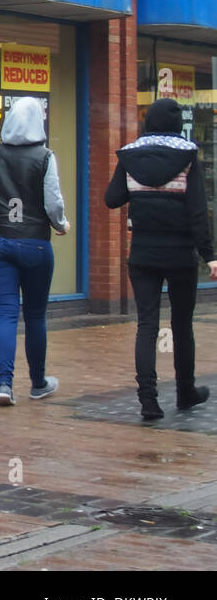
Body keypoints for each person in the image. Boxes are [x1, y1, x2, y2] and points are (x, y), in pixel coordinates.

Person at [105, 97, 215, 421]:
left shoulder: (129, 156)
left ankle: (149, 401)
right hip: (180, 255)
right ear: (176, 124)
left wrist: (137, 187)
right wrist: (210, 255)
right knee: (182, 326)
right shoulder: (187, 156)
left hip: (142, 254)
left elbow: (112, 199)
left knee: (147, 326)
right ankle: (185, 392)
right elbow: (197, 211)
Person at [0, 96, 70, 407]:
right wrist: (62, 223)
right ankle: (38, 382)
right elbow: (53, 201)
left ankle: (5, 385)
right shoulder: (45, 157)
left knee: (5, 313)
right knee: (34, 315)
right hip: (34, 244)